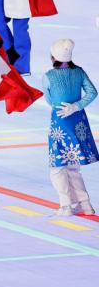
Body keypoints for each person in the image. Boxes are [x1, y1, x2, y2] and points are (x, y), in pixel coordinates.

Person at [42, 39, 97, 216]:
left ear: (53, 57)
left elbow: (50, 100)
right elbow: (93, 92)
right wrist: (76, 105)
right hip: (78, 121)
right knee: (73, 166)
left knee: (57, 166)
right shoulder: (79, 72)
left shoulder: (49, 76)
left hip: (60, 123)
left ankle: (66, 205)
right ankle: (85, 204)